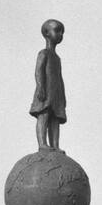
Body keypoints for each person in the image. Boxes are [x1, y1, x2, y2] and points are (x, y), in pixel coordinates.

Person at [30, 19, 67, 152]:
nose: (60, 34)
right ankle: (42, 144)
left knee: (55, 119)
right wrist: (40, 87)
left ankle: (55, 145)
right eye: (57, 30)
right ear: (46, 33)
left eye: (62, 32)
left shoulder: (57, 58)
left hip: (56, 94)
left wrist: (62, 96)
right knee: (44, 115)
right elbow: (38, 71)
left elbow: (59, 77)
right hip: (45, 92)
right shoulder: (43, 53)